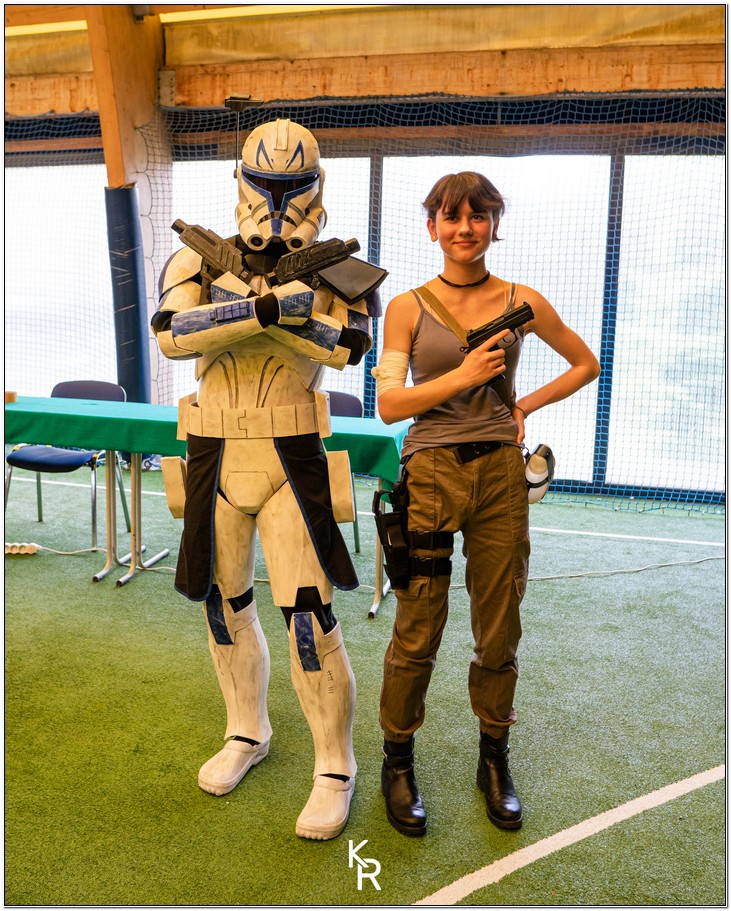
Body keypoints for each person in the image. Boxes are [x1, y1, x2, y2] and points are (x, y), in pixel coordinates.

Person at [151, 119, 383, 841]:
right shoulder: (195, 257)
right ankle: (245, 731)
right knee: (222, 604)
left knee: (308, 616)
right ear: (241, 182)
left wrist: (268, 315)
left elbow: (348, 347)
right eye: (266, 183)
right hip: (214, 450)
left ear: (317, 186)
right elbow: (169, 334)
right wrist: (260, 310)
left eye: (293, 185)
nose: (278, 200)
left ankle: (334, 765)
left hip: (291, 455)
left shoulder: (339, 268)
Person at [371, 171, 600, 836]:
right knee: (418, 624)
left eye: (478, 216)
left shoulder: (520, 300)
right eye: (451, 216)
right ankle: (397, 760)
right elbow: (390, 405)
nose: (464, 228)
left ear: (495, 225)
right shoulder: (407, 306)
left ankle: (493, 759)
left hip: (501, 473)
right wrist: (464, 375)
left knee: (499, 625)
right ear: (431, 227)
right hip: (430, 472)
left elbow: (584, 363)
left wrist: (522, 405)